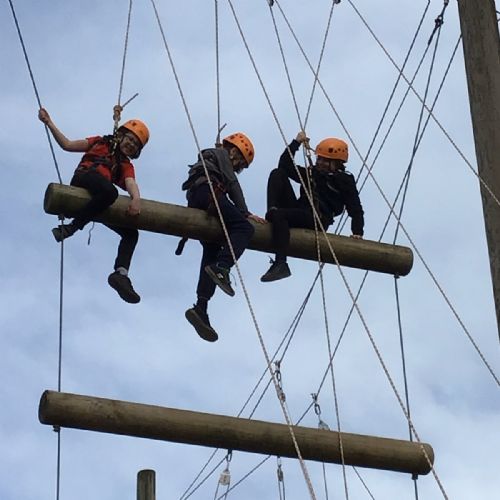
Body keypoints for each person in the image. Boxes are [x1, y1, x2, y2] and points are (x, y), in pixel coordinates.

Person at [38, 108, 149, 304]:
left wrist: (136, 199)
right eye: (130, 139)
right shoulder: (100, 142)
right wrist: (49, 122)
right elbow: (67, 144)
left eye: (135, 145)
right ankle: (72, 228)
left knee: (131, 234)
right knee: (110, 192)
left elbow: (131, 182)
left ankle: (120, 274)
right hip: (85, 178)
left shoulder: (125, 164)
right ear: (121, 135)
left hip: (100, 198)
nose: (131, 145)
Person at [182, 132, 265, 342]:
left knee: (212, 249)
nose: (238, 167)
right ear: (234, 151)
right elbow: (233, 184)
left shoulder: (214, 156)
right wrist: (245, 212)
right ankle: (223, 266)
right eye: (240, 163)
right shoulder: (222, 155)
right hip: (207, 192)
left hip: (199, 195)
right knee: (244, 229)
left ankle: (201, 307)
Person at [260, 131, 364, 282]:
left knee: (279, 215)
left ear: (336, 163)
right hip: (299, 210)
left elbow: (355, 208)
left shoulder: (344, 180)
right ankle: (272, 213)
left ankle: (281, 263)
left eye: (325, 160)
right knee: (278, 174)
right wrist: (296, 143)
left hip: (317, 218)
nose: (320, 162)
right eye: (319, 158)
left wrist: (357, 232)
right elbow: (285, 166)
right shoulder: (311, 173)